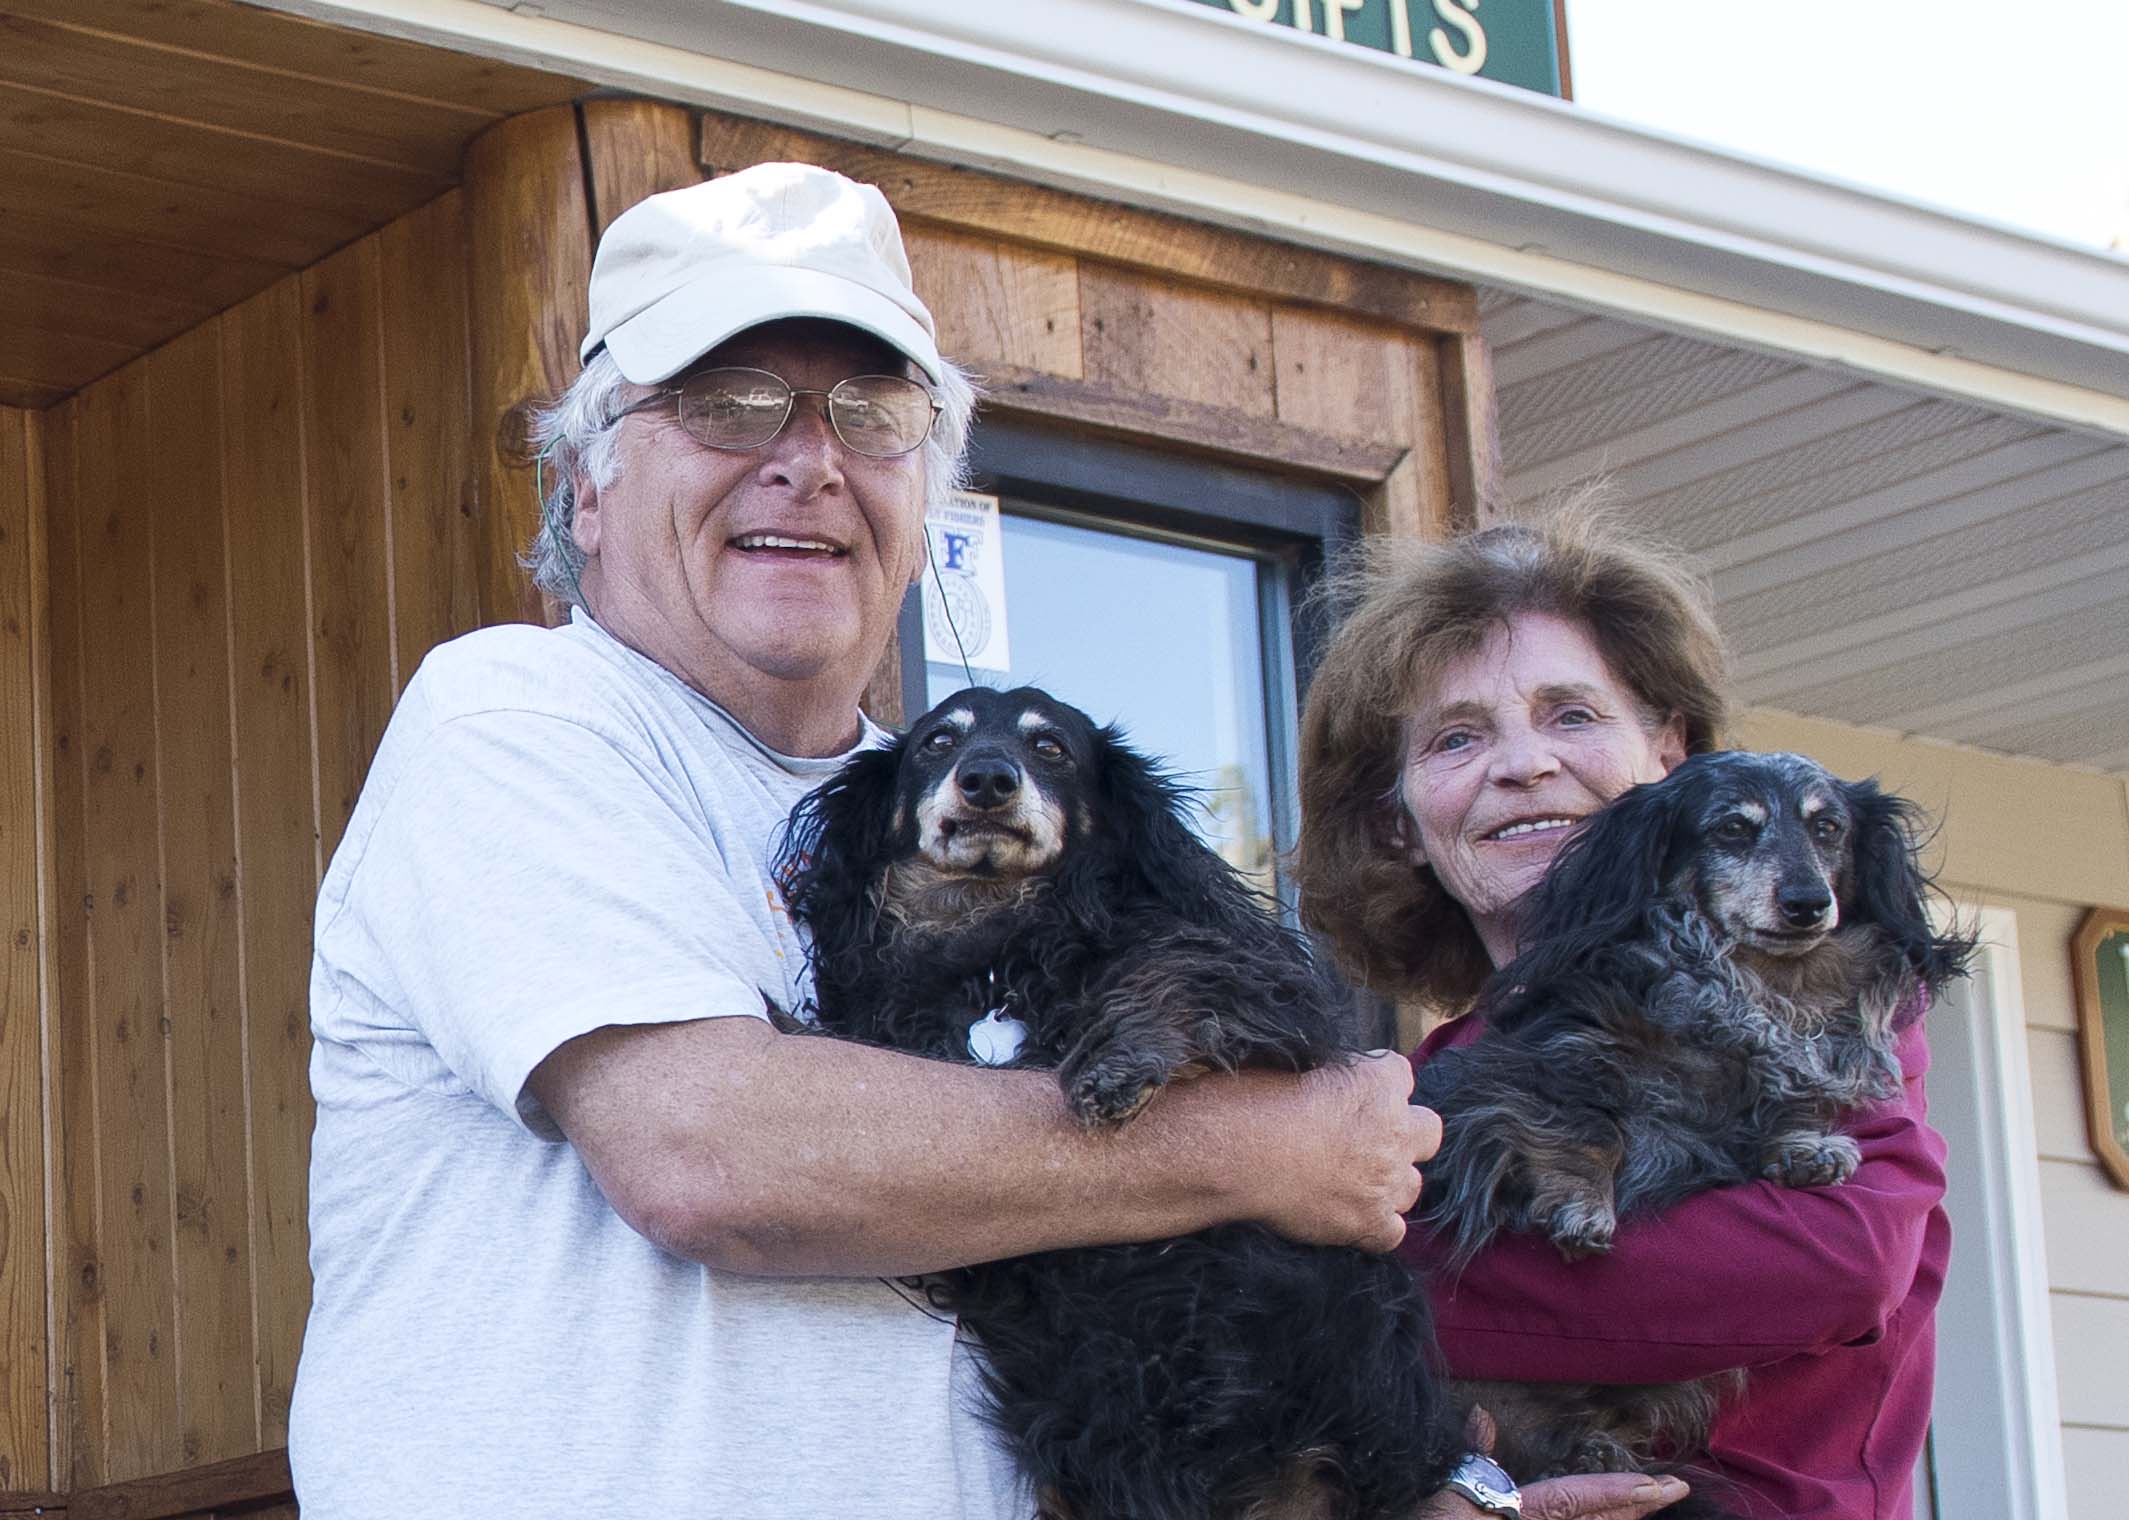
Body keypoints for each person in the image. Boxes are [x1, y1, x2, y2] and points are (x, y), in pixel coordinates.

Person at [290, 161, 1670, 1520]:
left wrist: (1411, 1490)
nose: (808, 462)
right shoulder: (522, 717)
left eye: (871, 414)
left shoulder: (949, 824)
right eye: (728, 403)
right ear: (586, 486)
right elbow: (708, 1155)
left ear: (922, 497)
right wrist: (1264, 1148)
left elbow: (1100, 1317)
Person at [1294, 505, 1950, 1520]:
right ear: (1400, 820)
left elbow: (1833, 1262)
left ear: (1668, 752)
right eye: (1458, 736)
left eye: (1571, 715)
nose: (1522, 764)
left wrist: (1335, 1270)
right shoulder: (1420, 1079)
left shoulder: (1819, 990)